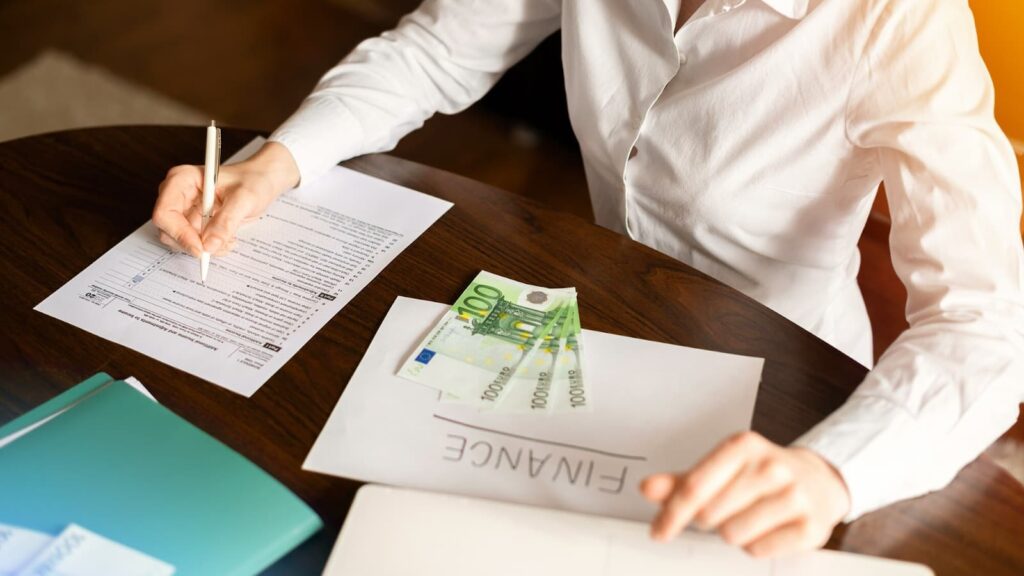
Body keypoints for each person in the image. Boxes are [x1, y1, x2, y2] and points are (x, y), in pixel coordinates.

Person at [152, 0, 1024, 558]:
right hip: (610, 322)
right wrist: (276, 161)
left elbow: (989, 325)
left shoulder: (902, 20)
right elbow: (437, 51)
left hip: (786, 399)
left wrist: (832, 471)